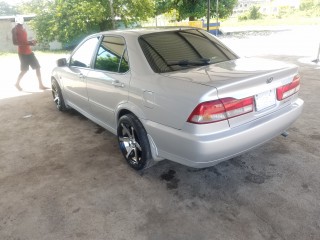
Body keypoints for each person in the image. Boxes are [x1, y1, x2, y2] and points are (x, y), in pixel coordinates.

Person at [12, 16, 47, 91]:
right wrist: (29, 43)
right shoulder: (14, 30)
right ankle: (17, 83)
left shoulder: (23, 29)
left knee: (37, 67)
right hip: (22, 53)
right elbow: (15, 43)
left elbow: (24, 40)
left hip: (29, 52)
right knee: (24, 70)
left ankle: (40, 85)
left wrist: (31, 42)